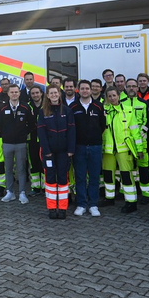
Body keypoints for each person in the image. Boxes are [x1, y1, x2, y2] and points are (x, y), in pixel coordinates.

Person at [102, 86, 144, 213]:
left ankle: (131, 202)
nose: (112, 98)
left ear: (119, 96)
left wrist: (139, 149)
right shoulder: (103, 111)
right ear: (106, 98)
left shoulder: (128, 110)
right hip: (108, 149)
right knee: (108, 174)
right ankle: (109, 198)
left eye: (114, 95)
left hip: (124, 149)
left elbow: (135, 131)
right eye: (109, 96)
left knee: (126, 175)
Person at [37, 85, 75, 219]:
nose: (53, 95)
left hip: (64, 152)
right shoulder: (43, 112)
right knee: (50, 179)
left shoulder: (67, 111)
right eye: (51, 93)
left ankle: (63, 208)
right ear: (47, 96)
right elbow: (41, 133)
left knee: (63, 179)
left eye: (56, 92)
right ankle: (52, 208)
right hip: (49, 153)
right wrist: (46, 150)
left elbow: (72, 131)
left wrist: (71, 149)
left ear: (59, 94)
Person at [70, 80, 106, 216]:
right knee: (80, 177)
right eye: (82, 88)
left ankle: (93, 205)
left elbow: (102, 125)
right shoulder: (73, 107)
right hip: (79, 147)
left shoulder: (98, 106)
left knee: (94, 177)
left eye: (87, 88)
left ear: (91, 90)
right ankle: (81, 204)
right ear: (78, 90)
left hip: (95, 146)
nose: (85, 91)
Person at [0, 84, 35, 205]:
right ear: (8, 93)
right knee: (8, 168)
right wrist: (6, 134)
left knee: (21, 169)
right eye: (12, 92)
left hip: (21, 143)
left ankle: (22, 192)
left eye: (16, 92)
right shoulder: (2, 108)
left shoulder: (25, 107)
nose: (14, 94)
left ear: (19, 93)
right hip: (7, 143)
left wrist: (24, 133)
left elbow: (32, 123)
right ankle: (10, 192)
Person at [123, 78, 149, 203]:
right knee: (127, 168)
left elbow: (148, 121)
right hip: (126, 142)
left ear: (137, 88)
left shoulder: (144, 103)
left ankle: (147, 194)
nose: (131, 88)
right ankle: (129, 193)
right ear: (125, 88)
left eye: (133, 86)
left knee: (143, 168)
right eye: (129, 86)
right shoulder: (121, 103)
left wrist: (141, 133)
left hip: (142, 141)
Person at [26, 85, 45, 194]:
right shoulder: (27, 106)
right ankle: (35, 187)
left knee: (44, 163)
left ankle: (45, 186)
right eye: (33, 93)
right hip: (32, 139)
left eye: (37, 93)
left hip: (44, 139)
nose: (35, 95)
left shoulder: (47, 106)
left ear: (41, 93)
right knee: (33, 163)